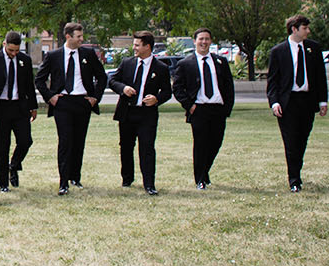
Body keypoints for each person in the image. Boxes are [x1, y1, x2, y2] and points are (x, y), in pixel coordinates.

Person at [39, 21, 105, 195]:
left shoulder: (88, 54)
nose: (81, 39)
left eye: (82, 36)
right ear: (68, 36)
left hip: (83, 102)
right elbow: (40, 79)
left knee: (78, 141)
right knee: (65, 141)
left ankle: (75, 177)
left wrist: (95, 98)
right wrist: (50, 97)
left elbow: (101, 77)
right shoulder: (54, 56)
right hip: (62, 103)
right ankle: (63, 182)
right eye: (79, 36)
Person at [266, 14, 328, 192]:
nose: (308, 31)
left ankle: (296, 170)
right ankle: (294, 179)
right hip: (288, 102)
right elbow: (273, 81)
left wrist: (323, 101)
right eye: (305, 28)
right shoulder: (278, 51)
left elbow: (320, 77)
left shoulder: (313, 49)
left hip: (307, 101)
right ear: (294, 29)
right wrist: (274, 102)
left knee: (302, 139)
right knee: (291, 141)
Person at [110, 31, 172, 195]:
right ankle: (127, 179)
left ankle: (149, 184)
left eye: (137, 45)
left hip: (147, 115)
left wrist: (157, 99)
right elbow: (113, 81)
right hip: (127, 113)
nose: (134, 48)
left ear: (147, 47)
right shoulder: (127, 63)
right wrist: (123, 88)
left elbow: (167, 92)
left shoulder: (161, 68)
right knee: (126, 147)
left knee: (147, 148)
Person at [174, 28, 234, 189]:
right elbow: (178, 88)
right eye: (201, 39)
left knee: (216, 143)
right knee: (200, 144)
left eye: (207, 39)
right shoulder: (185, 63)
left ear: (211, 41)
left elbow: (229, 87)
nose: (204, 42)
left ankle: (204, 171)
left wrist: (227, 108)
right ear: (194, 41)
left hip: (218, 109)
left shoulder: (220, 61)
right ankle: (200, 179)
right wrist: (189, 106)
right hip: (198, 109)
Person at [0, 31, 37, 193]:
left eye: (17, 51)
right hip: (1, 108)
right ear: (4, 44)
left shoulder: (25, 60)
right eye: (11, 50)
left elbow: (29, 86)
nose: (14, 54)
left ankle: (14, 165)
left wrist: (33, 106)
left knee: (26, 141)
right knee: (2, 146)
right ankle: (3, 182)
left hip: (20, 107)